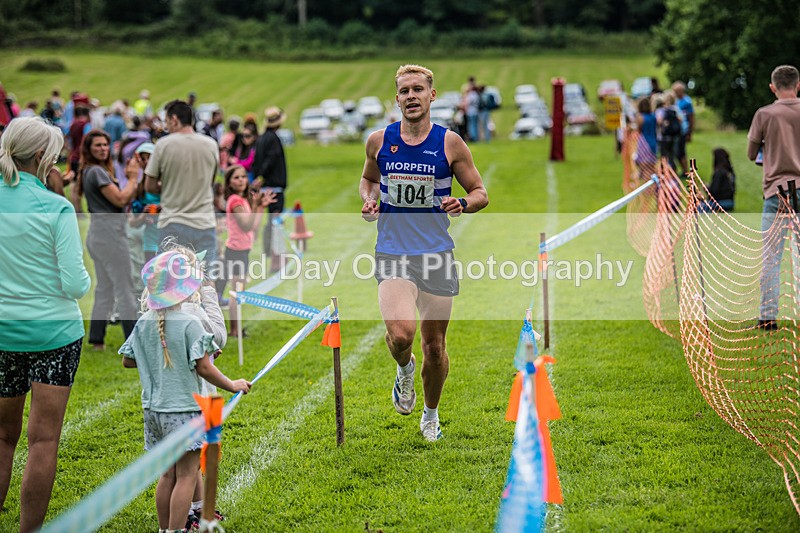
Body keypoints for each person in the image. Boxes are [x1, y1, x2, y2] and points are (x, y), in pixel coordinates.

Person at [359, 64, 489, 441]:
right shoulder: (379, 141)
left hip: (435, 254)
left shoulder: (450, 143)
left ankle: (430, 415)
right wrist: (370, 200)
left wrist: (462, 204)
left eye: (418, 89)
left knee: (435, 348)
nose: (411, 96)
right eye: (404, 91)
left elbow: (480, 192)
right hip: (393, 252)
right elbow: (368, 179)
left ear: (432, 95)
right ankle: (404, 370)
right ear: (397, 99)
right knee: (401, 336)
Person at [0, 117, 91, 532]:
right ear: (40, 156)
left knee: (3, 437)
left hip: (4, 333)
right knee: (43, 439)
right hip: (54, 334)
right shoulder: (56, 208)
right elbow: (75, 284)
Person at [120, 251, 250, 533]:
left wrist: (158, 357)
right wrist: (233, 384)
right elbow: (204, 368)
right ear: (186, 288)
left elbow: (128, 360)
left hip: (154, 413)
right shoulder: (190, 323)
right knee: (187, 474)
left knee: (167, 474)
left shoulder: (143, 323)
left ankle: (164, 529)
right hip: (184, 412)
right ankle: (177, 530)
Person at [747, 64, 800, 330]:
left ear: (773, 87)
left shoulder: (764, 114)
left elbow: (751, 153)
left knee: (771, 257)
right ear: (798, 85)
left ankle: (767, 316)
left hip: (776, 193)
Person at [80, 130, 140, 349]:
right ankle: (134, 342)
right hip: (110, 236)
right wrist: (133, 177)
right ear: (88, 149)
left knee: (104, 288)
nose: (103, 149)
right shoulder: (96, 171)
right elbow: (121, 198)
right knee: (125, 288)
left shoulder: (89, 171)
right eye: (97, 145)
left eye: (105, 144)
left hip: (98, 235)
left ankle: (97, 340)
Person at [145, 100, 220, 268]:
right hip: (204, 221)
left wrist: (168, 186)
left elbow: (149, 186)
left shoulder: (163, 145)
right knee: (206, 277)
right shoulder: (211, 145)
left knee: (170, 279)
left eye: (166, 121)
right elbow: (210, 181)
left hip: (172, 221)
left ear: (174, 119)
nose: (166, 126)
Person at [223, 165, 275, 337]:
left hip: (243, 251)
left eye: (243, 176)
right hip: (235, 251)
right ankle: (235, 330)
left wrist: (260, 207)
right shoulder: (235, 201)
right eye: (236, 177)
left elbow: (254, 227)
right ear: (229, 182)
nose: (241, 180)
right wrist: (255, 204)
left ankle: (236, 329)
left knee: (239, 292)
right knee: (236, 293)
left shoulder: (243, 200)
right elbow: (246, 225)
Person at [253, 106, 288, 272]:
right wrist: (262, 176)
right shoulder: (273, 139)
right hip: (274, 188)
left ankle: (275, 258)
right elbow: (270, 160)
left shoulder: (262, 138)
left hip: (267, 187)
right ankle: (277, 260)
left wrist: (259, 177)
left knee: (271, 224)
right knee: (276, 224)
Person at [701, 147, 735, 212]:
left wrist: (706, 188)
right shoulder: (730, 172)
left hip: (720, 203)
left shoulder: (719, 172)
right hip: (731, 202)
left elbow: (714, 192)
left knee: (699, 207)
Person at [672, 81, 694, 175]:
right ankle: (682, 170)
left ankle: (685, 170)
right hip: (675, 130)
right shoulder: (674, 100)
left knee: (681, 151)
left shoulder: (687, 102)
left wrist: (690, 132)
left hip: (683, 130)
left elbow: (691, 116)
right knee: (676, 151)